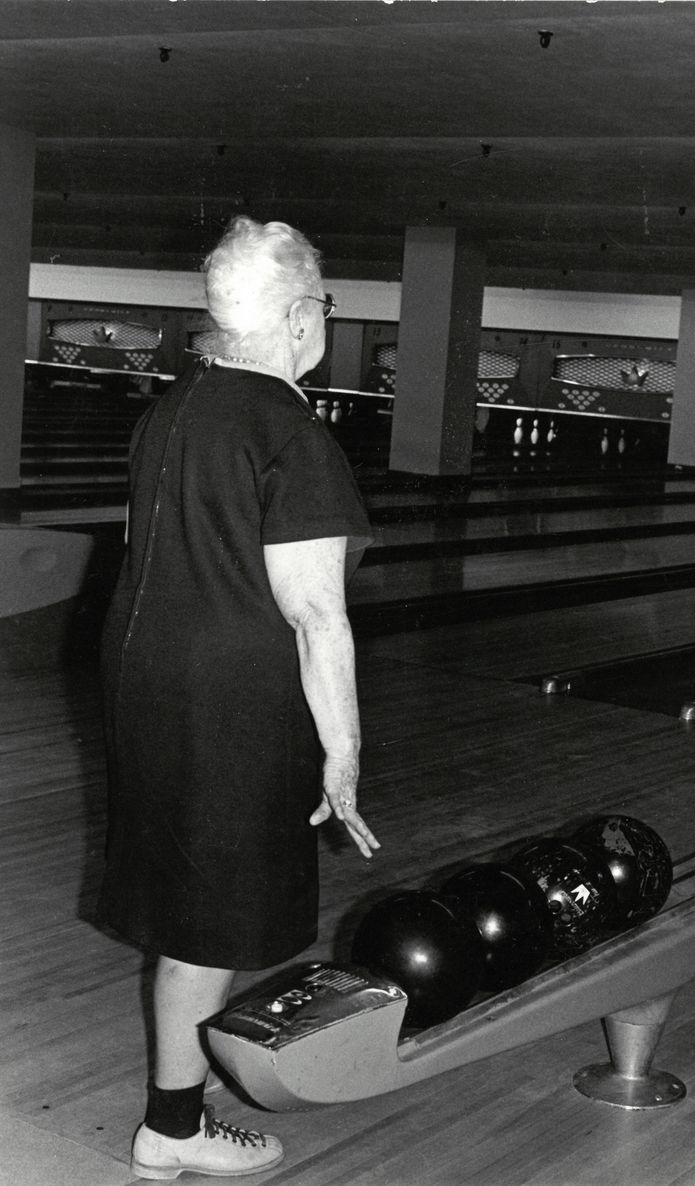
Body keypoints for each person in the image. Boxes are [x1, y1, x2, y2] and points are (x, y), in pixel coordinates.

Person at [98, 216, 380, 1180]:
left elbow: (151, 546)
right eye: (327, 306)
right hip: (233, 697)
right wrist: (342, 754)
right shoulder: (291, 432)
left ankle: (179, 1101)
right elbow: (316, 617)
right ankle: (173, 1129)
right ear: (303, 315)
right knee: (211, 917)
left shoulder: (168, 410)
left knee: (188, 905)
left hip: (146, 680)